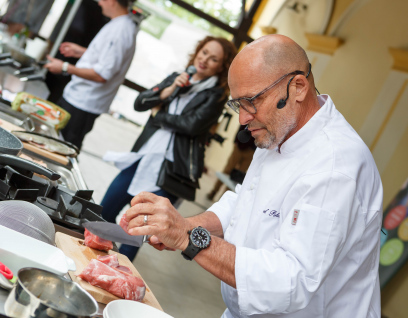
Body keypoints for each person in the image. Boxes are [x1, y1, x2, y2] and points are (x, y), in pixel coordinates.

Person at [123, 34, 383, 317]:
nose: (243, 119)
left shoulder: (336, 167)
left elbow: (290, 283)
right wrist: (182, 225)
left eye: (251, 101)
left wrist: (189, 237)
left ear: (297, 87)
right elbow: (244, 202)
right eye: (237, 104)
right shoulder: (280, 128)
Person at [100, 36, 238, 261]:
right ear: (197, 52)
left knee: (136, 231)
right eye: (203, 52)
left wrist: (158, 114)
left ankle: (113, 275)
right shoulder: (178, 78)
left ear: (221, 66)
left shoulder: (216, 95)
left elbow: (191, 125)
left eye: (213, 59)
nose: (204, 60)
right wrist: (171, 88)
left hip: (171, 171)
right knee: (104, 210)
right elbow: (141, 102)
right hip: (144, 157)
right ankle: (89, 255)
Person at [44, 0, 136, 150]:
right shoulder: (118, 24)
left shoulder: (121, 31)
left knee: (61, 149)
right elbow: (107, 59)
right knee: (52, 143)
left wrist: (65, 67)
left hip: (83, 104)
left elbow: (102, 75)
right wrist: (80, 51)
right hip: (77, 98)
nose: (99, 3)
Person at [207, 125, 256, 201]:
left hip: (251, 151)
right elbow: (241, 126)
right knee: (227, 170)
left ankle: (223, 198)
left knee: (237, 178)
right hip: (239, 146)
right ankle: (214, 191)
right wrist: (236, 141)